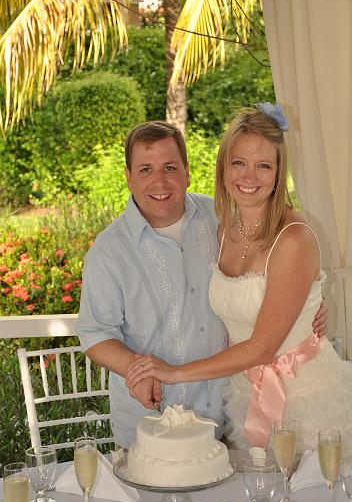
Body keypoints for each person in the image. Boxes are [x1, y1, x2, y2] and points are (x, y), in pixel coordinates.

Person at [77, 119, 326, 450]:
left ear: (187, 171)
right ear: (128, 176)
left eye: (169, 167)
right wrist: (138, 369)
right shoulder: (108, 252)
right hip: (152, 424)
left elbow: (273, 268)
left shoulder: (221, 219)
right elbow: (95, 334)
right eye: (145, 170)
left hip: (226, 417)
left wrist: (306, 308)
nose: (160, 181)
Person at [126, 106, 352, 454]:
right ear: (223, 167)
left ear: (279, 174)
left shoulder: (294, 238)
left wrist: (173, 373)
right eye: (239, 163)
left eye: (263, 165)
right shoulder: (220, 229)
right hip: (245, 394)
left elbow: (263, 347)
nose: (249, 176)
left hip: (309, 398)